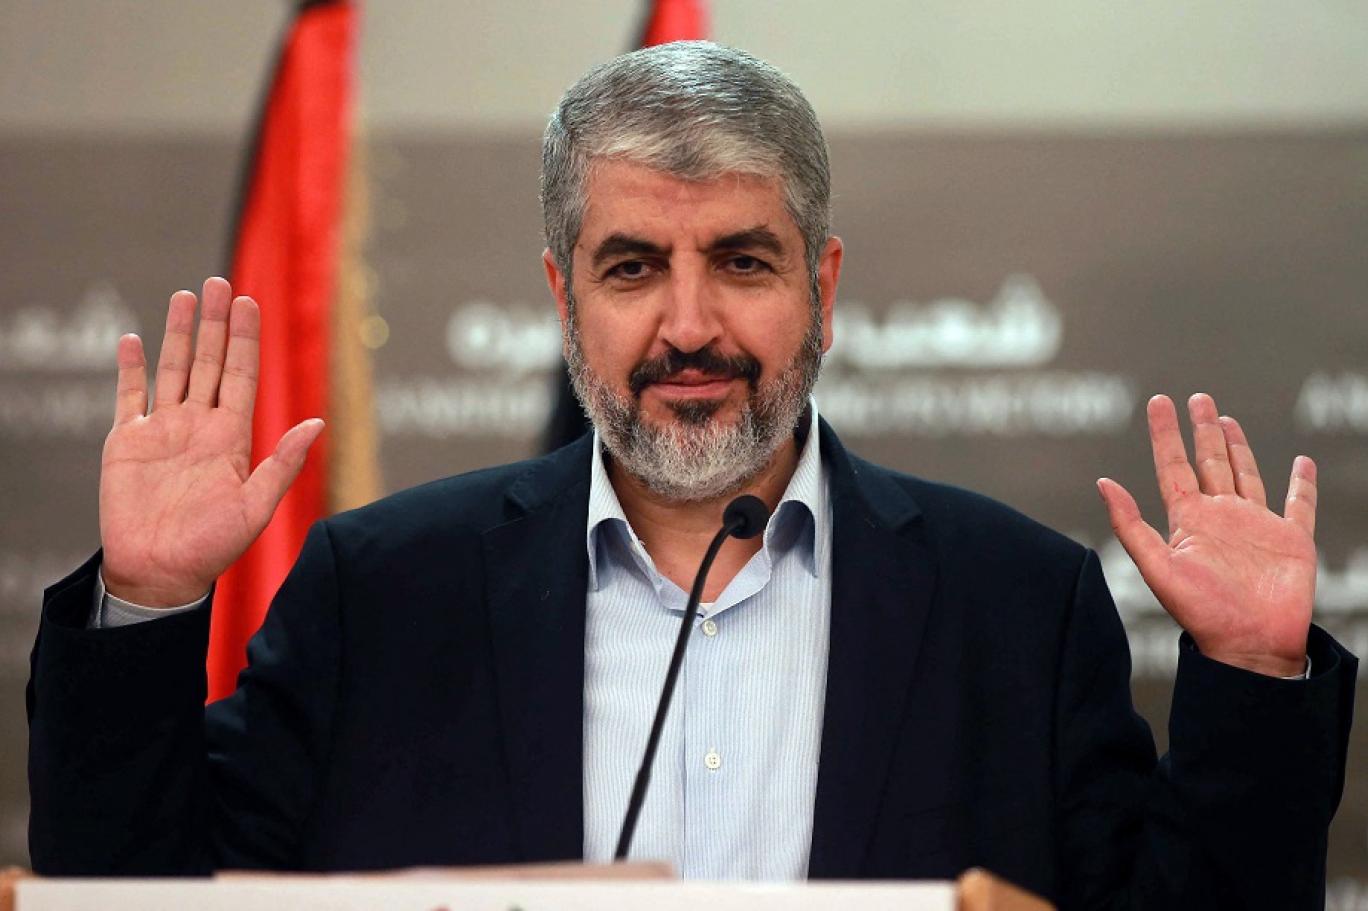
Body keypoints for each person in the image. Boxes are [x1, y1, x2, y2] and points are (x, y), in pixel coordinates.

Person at [28, 42, 1353, 908]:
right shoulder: (382, 590)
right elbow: (139, 894)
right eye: (631, 267)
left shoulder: (1016, 603)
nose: (688, 326)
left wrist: (1253, 675)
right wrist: (146, 601)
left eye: (742, 260)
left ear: (822, 283)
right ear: (563, 298)